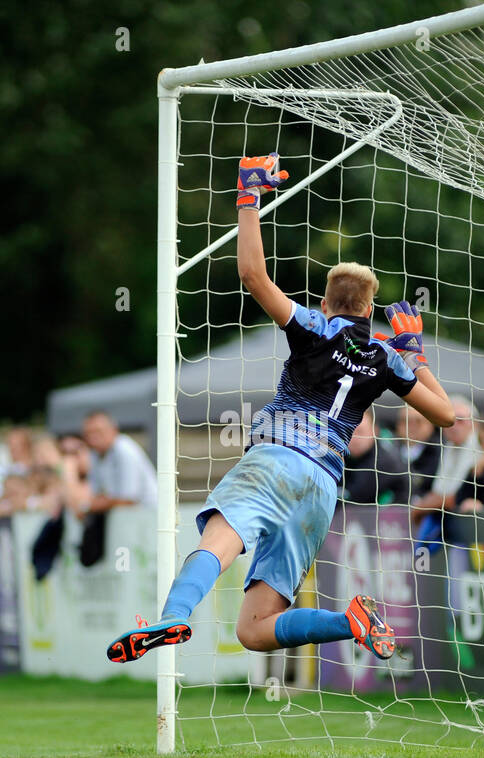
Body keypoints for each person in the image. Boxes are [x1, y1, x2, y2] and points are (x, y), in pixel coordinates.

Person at [106, 153, 454, 665]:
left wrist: (249, 197)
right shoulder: (387, 358)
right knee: (254, 629)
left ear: (328, 301)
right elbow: (446, 415)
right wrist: (415, 355)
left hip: (277, 458)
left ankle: (174, 618)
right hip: (321, 489)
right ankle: (349, 621)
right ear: (368, 307)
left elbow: (252, 274)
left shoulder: (314, 326)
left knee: (220, 536)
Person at [81, 411, 158, 513]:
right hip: (127, 518)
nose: (93, 438)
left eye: (98, 432)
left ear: (114, 430)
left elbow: (128, 500)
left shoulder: (124, 449)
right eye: (88, 433)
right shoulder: (95, 455)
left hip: (149, 517)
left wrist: (89, 506)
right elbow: (96, 495)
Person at [342, 407, 409, 505]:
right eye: (349, 431)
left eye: (360, 432)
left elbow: (355, 497)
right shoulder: (340, 457)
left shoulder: (385, 463)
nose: (354, 438)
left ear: (374, 431)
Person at [392, 404, 441, 500]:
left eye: (418, 421)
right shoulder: (388, 451)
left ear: (430, 424)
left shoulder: (440, 453)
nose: (411, 426)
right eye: (406, 421)